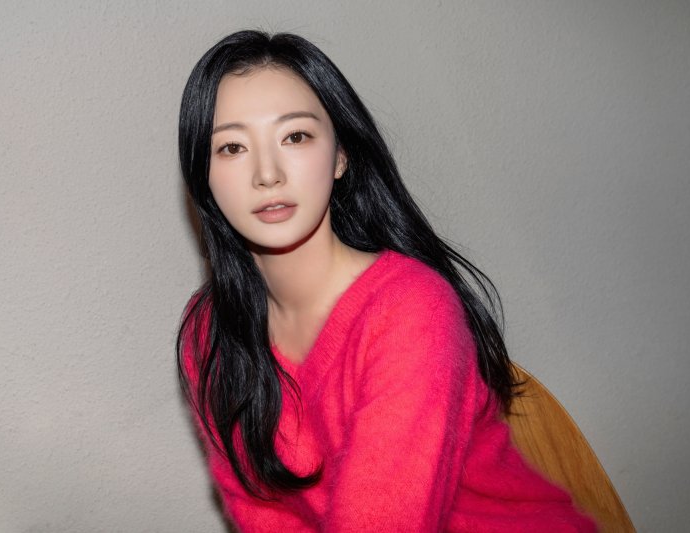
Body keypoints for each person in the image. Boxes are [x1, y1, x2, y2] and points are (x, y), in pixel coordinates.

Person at [176, 30, 596, 532]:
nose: (267, 174)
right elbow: (263, 514)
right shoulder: (210, 333)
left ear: (340, 155)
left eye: (295, 137)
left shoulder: (411, 310)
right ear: (204, 177)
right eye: (232, 147)